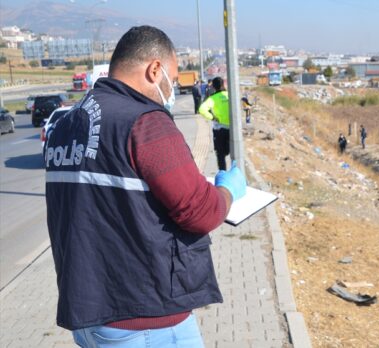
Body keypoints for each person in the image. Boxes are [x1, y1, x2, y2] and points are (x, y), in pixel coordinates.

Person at [44, 25, 247, 347]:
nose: (171, 90)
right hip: (145, 320)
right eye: (173, 78)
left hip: (90, 314)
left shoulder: (66, 124)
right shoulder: (146, 122)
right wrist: (229, 190)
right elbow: (201, 212)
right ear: (155, 69)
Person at [199, 76, 231, 171]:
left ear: (214, 87)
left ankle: (223, 175)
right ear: (223, 84)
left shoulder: (213, 98)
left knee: (220, 155)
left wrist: (212, 117)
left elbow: (201, 109)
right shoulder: (229, 95)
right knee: (232, 152)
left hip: (219, 130)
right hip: (231, 129)